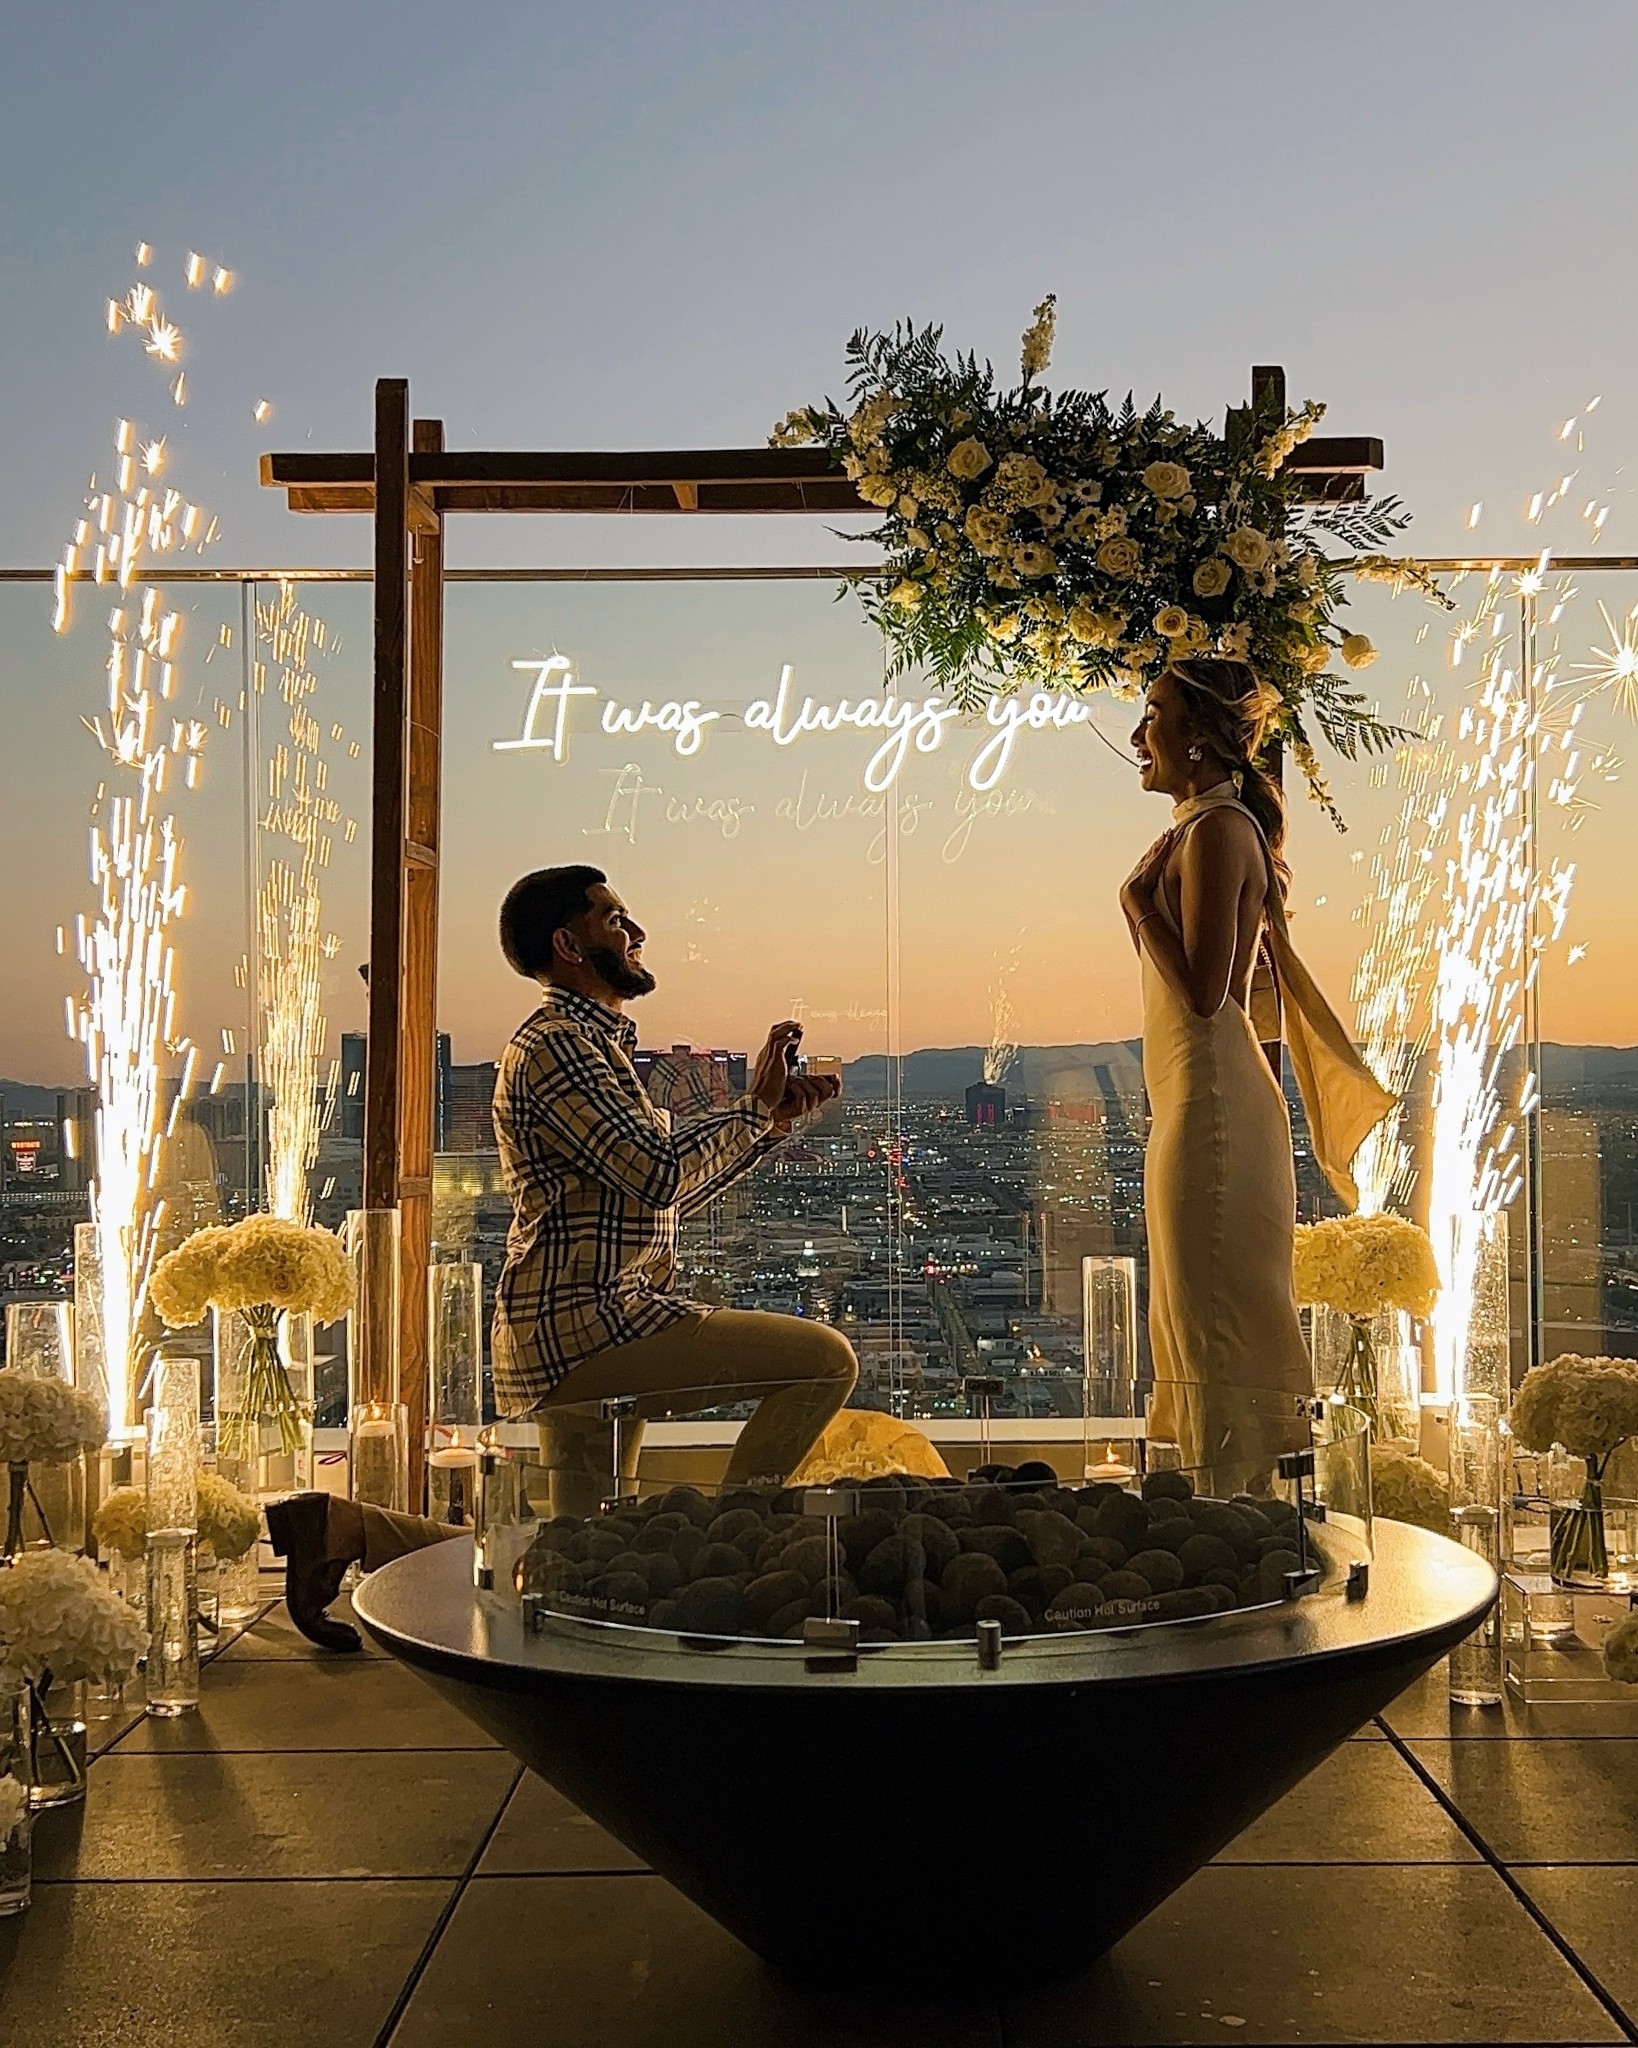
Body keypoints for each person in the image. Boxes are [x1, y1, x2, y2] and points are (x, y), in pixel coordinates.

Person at [269, 865, 857, 1649]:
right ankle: (735, 1542)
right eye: (615, 920)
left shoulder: (588, 1047)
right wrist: (751, 1109)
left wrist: (767, 1125)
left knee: (568, 1562)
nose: (635, 932)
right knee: (820, 1362)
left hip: (565, 1328)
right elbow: (655, 1173)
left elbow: (649, 1194)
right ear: (567, 943)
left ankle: (344, 1528)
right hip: (590, 1325)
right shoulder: (560, 1047)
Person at [1119, 658, 1393, 1484]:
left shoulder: (1215, 831)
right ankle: (1228, 1517)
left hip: (1210, 1108)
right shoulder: (1207, 826)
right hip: (1192, 1104)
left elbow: (1205, 993)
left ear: (1199, 739)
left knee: (1212, 1323)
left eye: (1154, 713)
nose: (1138, 734)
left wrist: (1136, 904)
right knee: (1199, 1316)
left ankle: (1231, 1523)